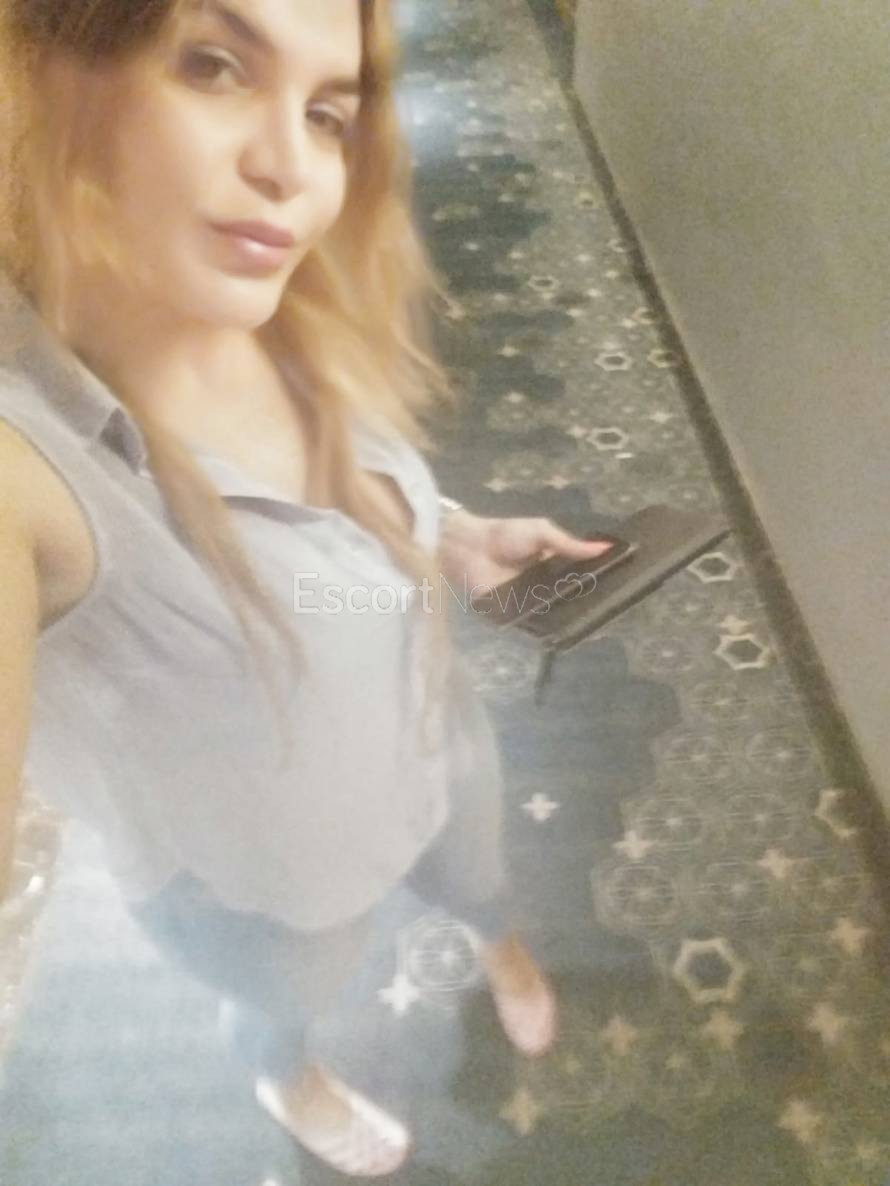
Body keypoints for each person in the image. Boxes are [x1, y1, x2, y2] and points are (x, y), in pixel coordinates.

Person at [0, 0, 615, 1176]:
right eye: (213, 65)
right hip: (264, 890)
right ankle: (286, 1077)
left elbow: (338, 536)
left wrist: (454, 539)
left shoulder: (267, 298)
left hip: (434, 730)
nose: (293, 168)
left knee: (480, 874)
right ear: (44, 67)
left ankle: (501, 948)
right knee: (285, 1001)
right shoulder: (27, 460)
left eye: (328, 113)